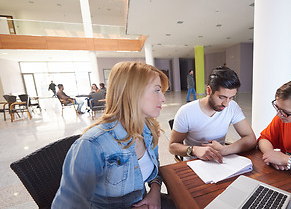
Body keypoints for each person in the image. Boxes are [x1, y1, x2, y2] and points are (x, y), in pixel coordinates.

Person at [52, 61, 174, 208]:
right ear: (132, 92)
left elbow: (155, 169)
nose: (163, 98)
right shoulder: (93, 144)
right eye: (157, 90)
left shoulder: (148, 129)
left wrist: (155, 190)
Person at [169, 66, 256, 163]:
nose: (226, 104)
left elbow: (251, 138)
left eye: (231, 97)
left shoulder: (232, 107)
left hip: (220, 161)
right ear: (209, 90)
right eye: (222, 97)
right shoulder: (186, 111)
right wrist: (194, 150)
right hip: (194, 164)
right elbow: (172, 146)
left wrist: (224, 150)